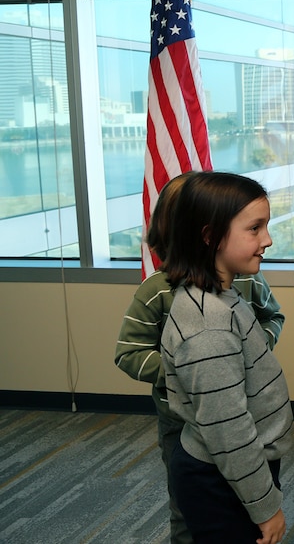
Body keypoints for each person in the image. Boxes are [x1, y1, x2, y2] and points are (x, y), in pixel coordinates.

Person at [114, 170, 284, 544]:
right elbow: (229, 432)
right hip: (211, 457)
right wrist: (266, 506)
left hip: (228, 451)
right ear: (206, 235)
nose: (267, 240)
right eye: (254, 228)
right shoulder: (205, 324)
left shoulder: (227, 293)